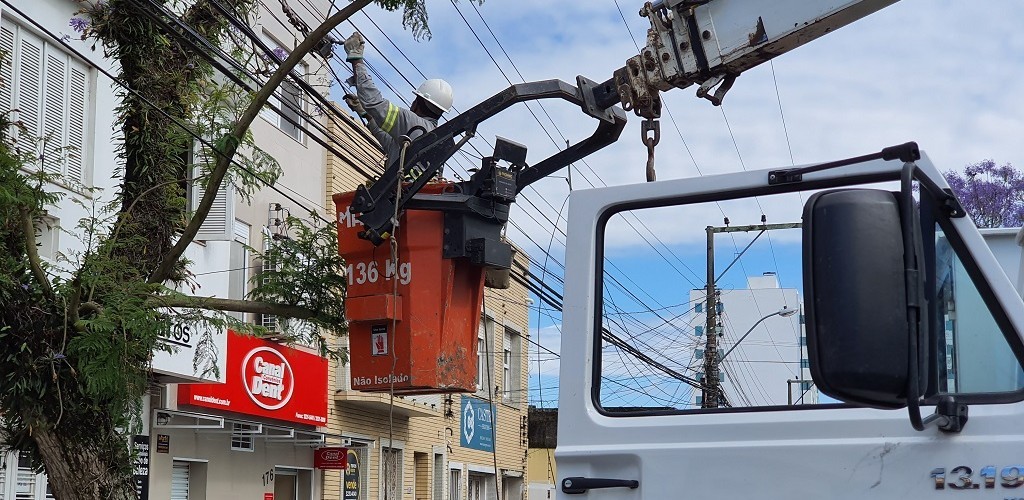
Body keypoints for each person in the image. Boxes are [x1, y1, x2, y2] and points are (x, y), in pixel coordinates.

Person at [343, 32, 453, 179]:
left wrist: (356, 59)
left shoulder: (412, 122)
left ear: (417, 103)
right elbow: (390, 143)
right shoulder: (434, 136)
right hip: (410, 192)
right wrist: (365, 113)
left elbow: (375, 103)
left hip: (401, 191)